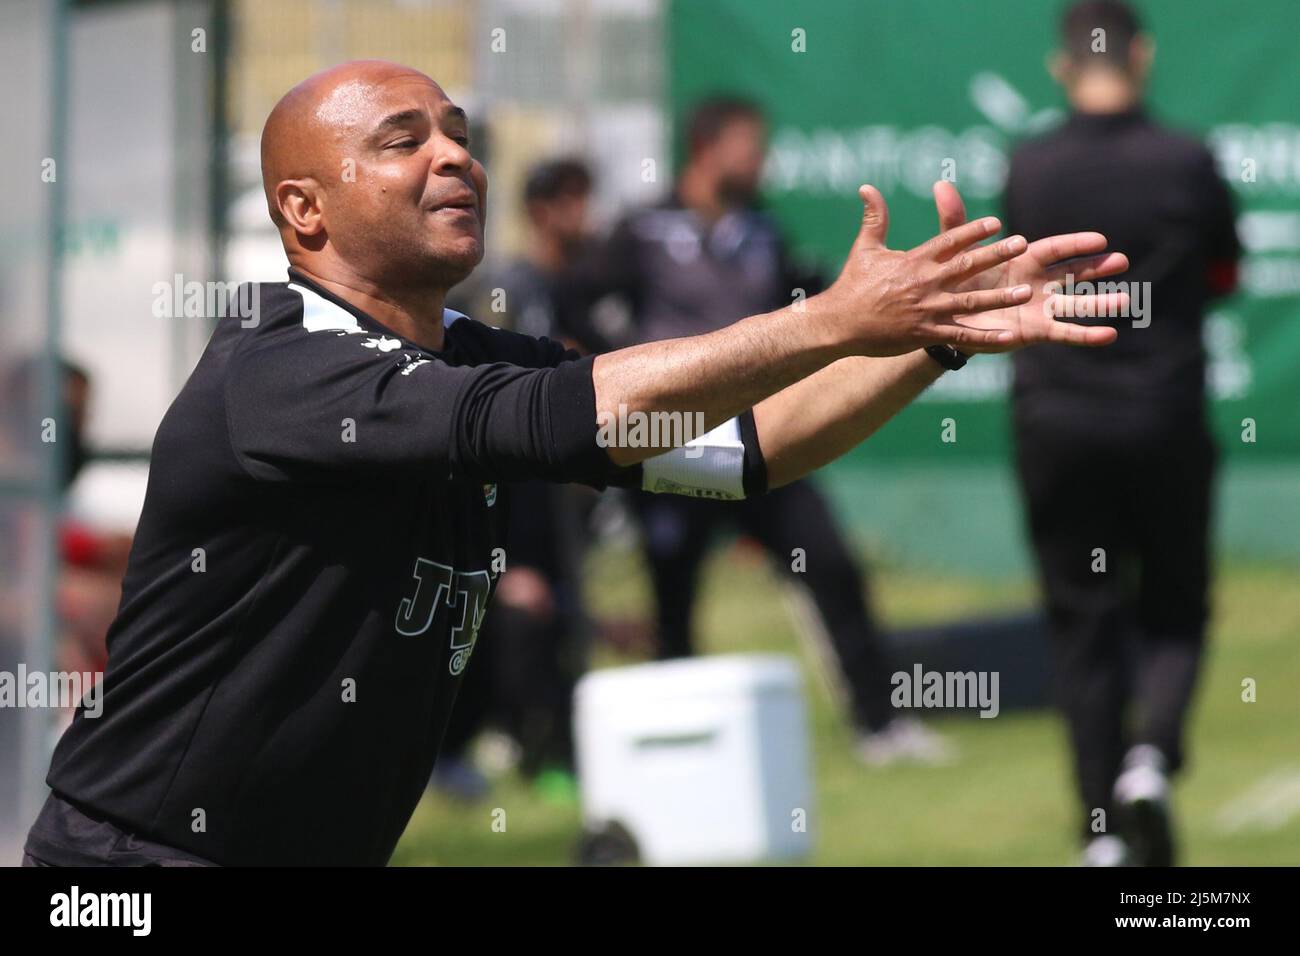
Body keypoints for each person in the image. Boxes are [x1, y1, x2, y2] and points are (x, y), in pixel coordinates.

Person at [24, 59, 1124, 866]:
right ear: (303, 210)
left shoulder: (467, 353)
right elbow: (572, 408)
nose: (454, 154)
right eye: (403, 139)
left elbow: (741, 453)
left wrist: (933, 339)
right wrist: (833, 318)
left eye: (457, 133)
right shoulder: (278, 371)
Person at [561, 97, 948, 763]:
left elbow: (806, 310)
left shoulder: (763, 231)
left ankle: (879, 724)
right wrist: (621, 370)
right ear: (708, 148)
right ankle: (677, 742)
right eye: (749, 146)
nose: (760, 160)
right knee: (673, 590)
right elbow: (575, 300)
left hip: (760, 438)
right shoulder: (644, 230)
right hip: (671, 440)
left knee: (829, 563)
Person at [1004, 0, 1240, 866]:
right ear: (1139, 56)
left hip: (1056, 422)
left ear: (1064, 66)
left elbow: (1018, 279)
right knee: (1175, 604)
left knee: (1082, 623)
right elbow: (1223, 271)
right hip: (1163, 418)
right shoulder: (1185, 160)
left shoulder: (1030, 167)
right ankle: (1151, 760)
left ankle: (1100, 834)